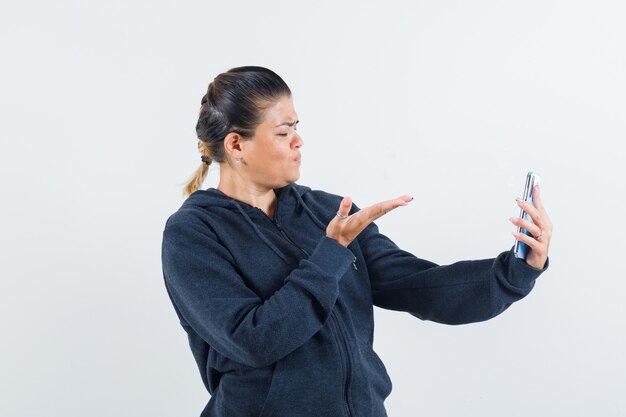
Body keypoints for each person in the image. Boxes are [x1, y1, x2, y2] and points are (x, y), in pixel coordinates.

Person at [160, 66, 552, 417]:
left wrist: (516, 271)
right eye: (283, 132)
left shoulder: (327, 211)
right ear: (236, 146)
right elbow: (255, 340)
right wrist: (331, 252)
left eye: (297, 126)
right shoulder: (193, 234)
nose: (298, 141)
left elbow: (419, 287)